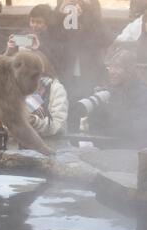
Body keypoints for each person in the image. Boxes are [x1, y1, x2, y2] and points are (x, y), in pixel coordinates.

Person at [54, 0, 112, 133]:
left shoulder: (92, 14)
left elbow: (106, 38)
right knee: (69, 108)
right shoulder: (64, 9)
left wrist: (89, 11)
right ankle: (71, 139)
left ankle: (93, 140)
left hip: (90, 73)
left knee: (91, 109)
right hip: (67, 73)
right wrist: (60, 13)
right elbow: (54, 35)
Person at [77, 49, 147, 145]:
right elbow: (95, 129)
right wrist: (97, 109)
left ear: (129, 70)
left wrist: (110, 113)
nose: (112, 72)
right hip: (106, 149)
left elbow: (137, 129)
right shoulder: (108, 91)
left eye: (117, 67)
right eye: (110, 67)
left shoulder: (141, 92)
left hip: (131, 151)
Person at [4, 4, 63, 78]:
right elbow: (7, 59)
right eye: (32, 21)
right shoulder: (24, 34)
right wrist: (9, 50)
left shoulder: (55, 38)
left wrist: (39, 47)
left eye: (39, 22)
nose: (34, 25)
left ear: (47, 23)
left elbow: (56, 65)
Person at [25, 51, 69, 137]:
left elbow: (59, 127)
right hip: (19, 146)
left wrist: (35, 121)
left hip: (51, 145)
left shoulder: (55, 89)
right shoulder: (19, 89)